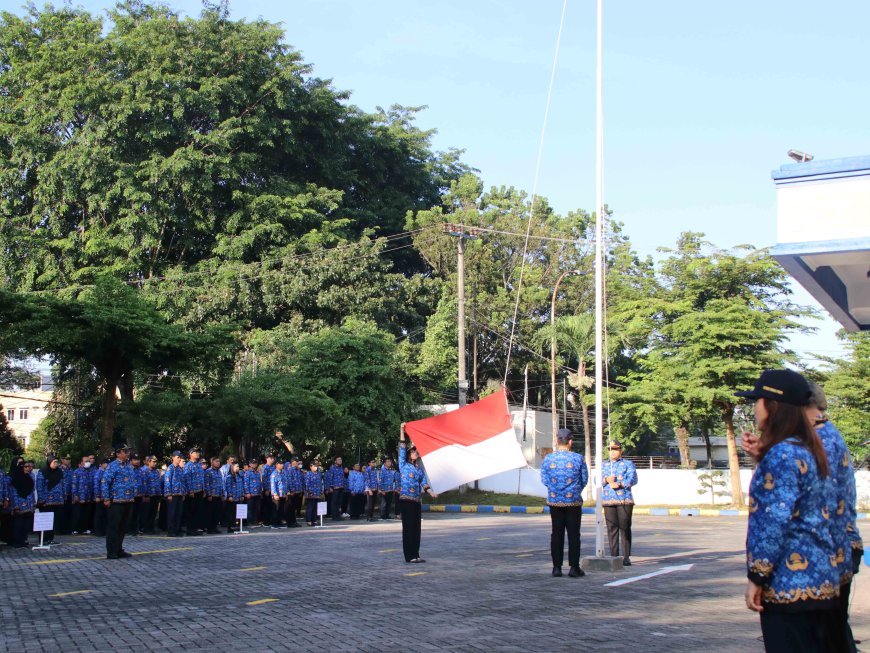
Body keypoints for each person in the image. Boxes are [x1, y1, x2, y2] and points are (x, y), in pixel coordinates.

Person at [742, 381, 863, 652]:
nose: (754, 409)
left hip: (793, 579)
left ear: (774, 406)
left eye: (757, 401)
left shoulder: (796, 448)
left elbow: (773, 521)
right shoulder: (811, 444)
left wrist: (757, 575)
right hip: (824, 570)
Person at [540, 428, 588, 578]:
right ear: (571, 442)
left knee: (556, 534)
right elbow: (584, 479)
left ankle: (556, 568)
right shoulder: (578, 458)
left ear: (557, 441)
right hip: (573, 502)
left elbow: (544, 480)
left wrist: (555, 490)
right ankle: (574, 568)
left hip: (555, 502)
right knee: (574, 535)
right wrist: (574, 490)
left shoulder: (548, 459)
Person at [398, 423, 438, 563]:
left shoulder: (419, 469)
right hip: (406, 500)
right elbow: (402, 447)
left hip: (416, 501)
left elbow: (424, 483)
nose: (416, 453)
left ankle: (416, 554)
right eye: (413, 451)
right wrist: (402, 430)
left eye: (416, 451)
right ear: (409, 454)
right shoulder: (403, 465)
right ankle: (409, 556)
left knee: (416, 528)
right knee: (408, 528)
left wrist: (431, 492)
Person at [602, 440, 638, 566]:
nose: (613, 452)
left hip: (624, 500)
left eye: (615, 449)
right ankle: (614, 556)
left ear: (620, 450)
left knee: (625, 527)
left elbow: (633, 478)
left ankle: (626, 556)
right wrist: (606, 479)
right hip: (608, 500)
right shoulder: (604, 465)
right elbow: (597, 480)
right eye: (610, 449)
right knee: (612, 528)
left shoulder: (627, 464)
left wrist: (621, 484)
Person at [101, 443, 137, 559]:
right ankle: (111, 551)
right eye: (125, 451)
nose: (128, 453)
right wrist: (106, 498)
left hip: (128, 500)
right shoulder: (112, 466)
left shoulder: (129, 465)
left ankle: (119, 549)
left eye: (128, 451)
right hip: (116, 501)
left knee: (123, 527)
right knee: (113, 527)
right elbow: (105, 482)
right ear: (118, 453)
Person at [36, 455, 65, 545]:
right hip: (46, 501)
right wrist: (41, 499)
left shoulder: (59, 472)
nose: (56, 464)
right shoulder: (43, 472)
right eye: (54, 462)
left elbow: (62, 484)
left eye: (57, 462)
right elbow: (39, 486)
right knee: (45, 520)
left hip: (57, 501)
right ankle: (43, 539)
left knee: (53, 521)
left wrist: (63, 496)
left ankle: (50, 538)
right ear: (49, 463)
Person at [9, 457, 35, 548]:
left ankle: (23, 540)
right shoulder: (15, 480)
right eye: (25, 467)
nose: (28, 469)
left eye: (28, 467)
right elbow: (13, 494)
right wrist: (15, 505)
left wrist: (33, 504)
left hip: (28, 504)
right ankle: (17, 541)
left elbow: (31, 493)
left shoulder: (29, 479)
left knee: (26, 524)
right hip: (19, 505)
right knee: (18, 524)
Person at [163, 451, 187, 537]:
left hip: (180, 494)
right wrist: (168, 494)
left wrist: (183, 493)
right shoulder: (170, 468)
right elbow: (167, 481)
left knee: (178, 513)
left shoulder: (180, 469)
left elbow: (183, 482)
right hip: (172, 494)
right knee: (172, 513)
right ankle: (170, 530)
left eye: (180, 457)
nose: (179, 459)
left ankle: (176, 530)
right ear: (172, 457)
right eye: (178, 457)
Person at [183, 447, 205, 536]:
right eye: (195, 452)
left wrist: (204, 489)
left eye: (198, 452)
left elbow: (202, 478)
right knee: (191, 511)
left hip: (200, 491)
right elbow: (187, 479)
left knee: (198, 511)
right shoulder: (188, 465)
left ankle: (195, 528)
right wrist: (190, 491)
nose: (198, 454)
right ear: (190, 454)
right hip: (192, 492)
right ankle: (190, 529)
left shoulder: (199, 465)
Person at [71, 455, 95, 535]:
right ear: (81, 463)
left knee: (86, 514)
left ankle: (85, 528)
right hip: (79, 496)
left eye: (88, 461)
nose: (88, 463)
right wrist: (75, 495)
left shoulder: (91, 471)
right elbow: (74, 484)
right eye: (86, 461)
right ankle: (75, 529)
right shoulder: (77, 472)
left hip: (88, 496)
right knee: (78, 513)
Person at [139, 456, 161, 534]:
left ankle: (151, 527)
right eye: (153, 461)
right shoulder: (144, 470)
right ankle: (145, 527)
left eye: (156, 462)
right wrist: (145, 495)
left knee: (153, 512)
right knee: (146, 512)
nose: (155, 463)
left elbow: (158, 483)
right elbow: (144, 484)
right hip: (148, 495)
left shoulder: (156, 471)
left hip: (156, 495)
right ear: (148, 462)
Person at [204, 457, 224, 534]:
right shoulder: (208, 471)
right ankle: (210, 528)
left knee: (217, 512)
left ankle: (214, 527)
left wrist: (222, 494)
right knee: (210, 513)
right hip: (212, 495)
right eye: (216, 461)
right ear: (212, 462)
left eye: (219, 461)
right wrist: (209, 494)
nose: (218, 463)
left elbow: (221, 484)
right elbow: (207, 483)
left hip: (218, 495)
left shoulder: (219, 471)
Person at [223, 461, 244, 532]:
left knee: (237, 513)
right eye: (236, 466)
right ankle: (230, 526)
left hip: (238, 497)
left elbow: (241, 486)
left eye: (238, 466)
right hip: (232, 498)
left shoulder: (239, 476)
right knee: (231, 513)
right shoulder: (229, 477)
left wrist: (242, 495)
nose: (238, 468)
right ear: (232, 467)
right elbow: (228, 487)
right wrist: (230, 496)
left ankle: (236, 525)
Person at [126, 453, 143, 536]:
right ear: (131, 460)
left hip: (139, 495)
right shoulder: (128, 469)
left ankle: (135, 529)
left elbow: (142, 482)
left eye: (138, 459)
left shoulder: (140, 470)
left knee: (137, 513)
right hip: (130, 495)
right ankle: (129, 529)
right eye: (135, 460)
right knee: (130, 513)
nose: (137, 461)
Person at [92, 458, 109, 537]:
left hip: (106, 497)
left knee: (105, 515)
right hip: (100, 497)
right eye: (105, 463)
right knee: (99, 515)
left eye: (107, 463)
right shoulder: (98, 473)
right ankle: (98, 531)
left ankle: (104, 531)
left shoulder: (107, 472)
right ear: (101, 464)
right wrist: (97, 496)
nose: (107, 465)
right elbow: (96, 486)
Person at [304, 460, 324, 526]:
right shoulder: (308, 473)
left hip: (317, 493)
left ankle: (314, 520)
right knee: (310, 507)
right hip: (311, 493)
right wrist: (309, 492)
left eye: (316, 466)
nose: (316, 467)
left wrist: (321, 492)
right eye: (314, 466)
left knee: (315, 507)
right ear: (311, 467)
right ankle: (309, 521)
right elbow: (307, 484)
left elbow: (320, 483)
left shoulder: (319, 474)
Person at [244, 459, 263, 527]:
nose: (254, 464)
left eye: (255, 463)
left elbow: (259, 483)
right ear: (250, 464)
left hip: (257, 493)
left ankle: (255, 521)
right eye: (253, 463)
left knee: (256, 508)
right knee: (250, 509)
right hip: (251, 494)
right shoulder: (247, 473)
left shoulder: (257, 472)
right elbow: (246, 483)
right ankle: (250, 522)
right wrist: (247, 492)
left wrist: (260, 491)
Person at [285, 457, 303, 527]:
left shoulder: (298, 470)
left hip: (297, 491)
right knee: (290, 507)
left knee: (294, 508)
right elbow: (289, 481)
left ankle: (294, 521)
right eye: (296, 462)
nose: (297, 463)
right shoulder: (290, 470)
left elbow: (299, 481)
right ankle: (289, 522)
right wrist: (291, 490)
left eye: (298, 462)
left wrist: (300, 490)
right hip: (292, 492)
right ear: (293, 462)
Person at [325, 456, 344, 521]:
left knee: (339, 503)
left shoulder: (341, 468)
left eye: (341, 459)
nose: (340, 461)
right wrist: (329, 487)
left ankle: (338, 515)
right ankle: (334, 516)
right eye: (338, 459)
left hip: (341, 487)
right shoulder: (332, 468)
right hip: (335, 488)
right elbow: (329, 478)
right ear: (335, 461)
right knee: (334, 502)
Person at [269, 459, 287, 529]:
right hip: (277, 494)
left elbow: (285, 483)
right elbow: (273, 485)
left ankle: (279, 522)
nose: (282, 465)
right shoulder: (274, 474)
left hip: (283, 494)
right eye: (280, 464)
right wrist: (275, 494)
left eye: (282, 464)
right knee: (276, 509)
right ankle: (274, 523)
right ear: (276, 465)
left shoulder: (283, 473)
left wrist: (286, 493)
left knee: (281, 509)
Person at [59, 454, 73, 535]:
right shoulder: (59, 469)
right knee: (62, 512)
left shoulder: (70, 469)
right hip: (62, 494)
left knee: (68, 512)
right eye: (67, 459)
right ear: (62, 460)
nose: (68, 460)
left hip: (70, 493)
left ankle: (67, 529)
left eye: (69, 459)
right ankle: (60, 529)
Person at [260, 454, 276, 527]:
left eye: (273, 458)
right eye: (271, 458)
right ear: (267, 459)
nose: (272, 459)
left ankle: (271, 520)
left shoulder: (273, 467)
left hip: (273, 489)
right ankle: (266, 521)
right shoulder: (265, 467)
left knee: (272, 506)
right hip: (267, 489)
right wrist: (266, 489)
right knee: (267, 505)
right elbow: (264, 479)